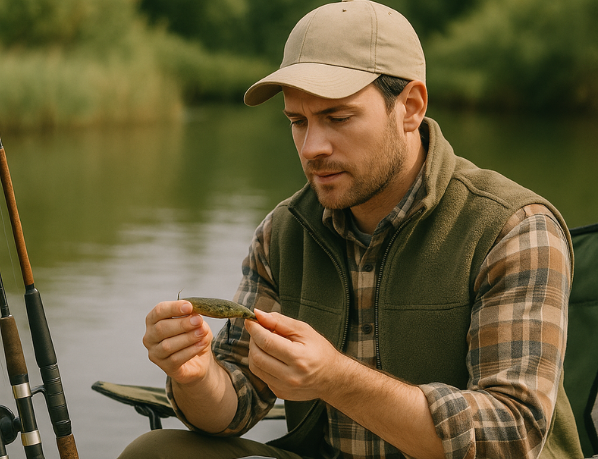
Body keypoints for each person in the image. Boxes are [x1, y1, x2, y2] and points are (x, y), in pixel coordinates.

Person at [119, 0, 582, 457]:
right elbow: (234, 406)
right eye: (297, 122)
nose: (312, 147)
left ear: (411, 107)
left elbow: (512, 436)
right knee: (156, 451)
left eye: (338, 118)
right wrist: (196, 375)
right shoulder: (283, 232)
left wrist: (334, 378)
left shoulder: (514, 229)